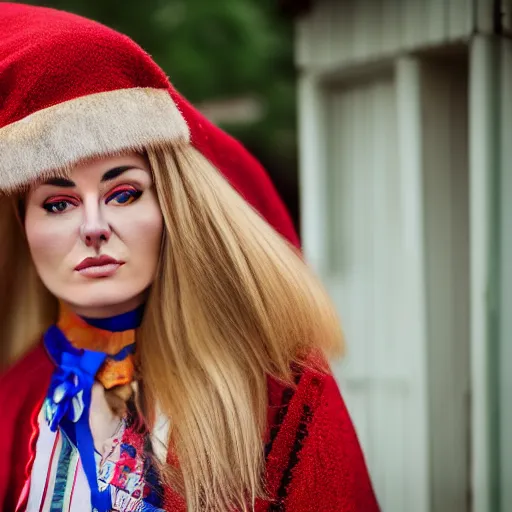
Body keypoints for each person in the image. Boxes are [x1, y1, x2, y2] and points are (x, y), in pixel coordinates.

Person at [0, 3, 379, 511]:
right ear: (23, 227)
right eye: (58, 204)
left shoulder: (276, 391)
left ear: (174, 208)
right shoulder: (11, 404)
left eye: (124, 193)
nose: (93, 228)